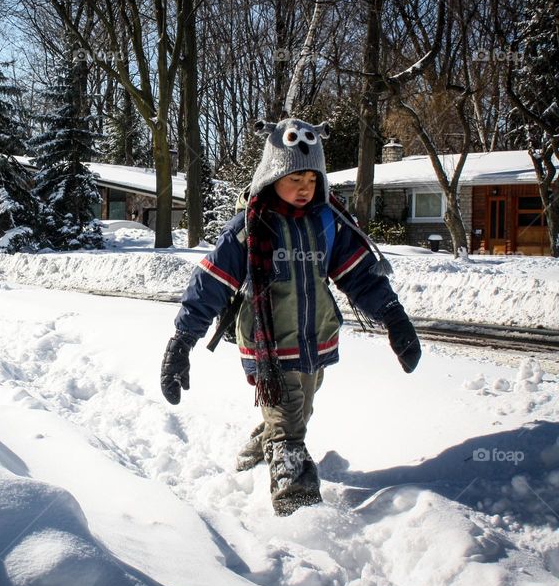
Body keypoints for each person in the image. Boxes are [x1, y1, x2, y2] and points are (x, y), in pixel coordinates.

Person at [159, 118, 421, 516]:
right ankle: (301, 520)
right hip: (270, 350)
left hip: (317, 341)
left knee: (299, 416)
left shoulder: (328, 223)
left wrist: (394, 317)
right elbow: (209, 285)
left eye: (312, 179)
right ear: (271, 175)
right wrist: (182, 342)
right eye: (294, 177)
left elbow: (360, 278)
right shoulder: (248, 228)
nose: (304, 187)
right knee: (290, 435)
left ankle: (256, 452)